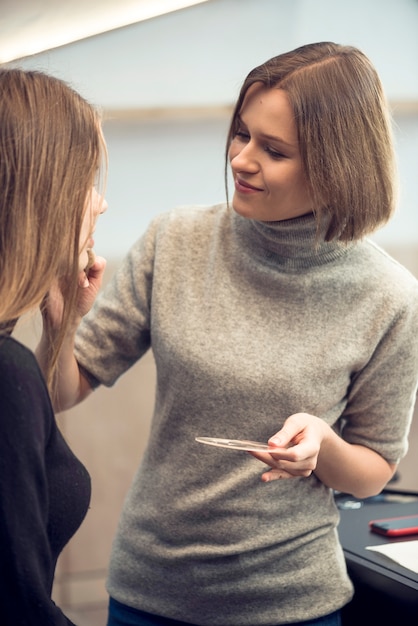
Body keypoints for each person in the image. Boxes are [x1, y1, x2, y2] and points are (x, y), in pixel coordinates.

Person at [39, 42, 418, 626]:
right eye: (241, 134)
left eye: (274, 150)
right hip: (148, 592)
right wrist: (62, 323)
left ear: (338, 165)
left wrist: (323, 444)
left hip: (293, 605)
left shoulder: (390, 296)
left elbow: (374, 468)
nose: (241, 159)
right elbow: (62, 390)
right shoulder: (174, 240)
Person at [0, 68, 107, 625]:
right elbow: (19, 608)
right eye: (87, 182)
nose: (100, 205)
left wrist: (61, 326)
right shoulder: (6, 370)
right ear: (41, 196)